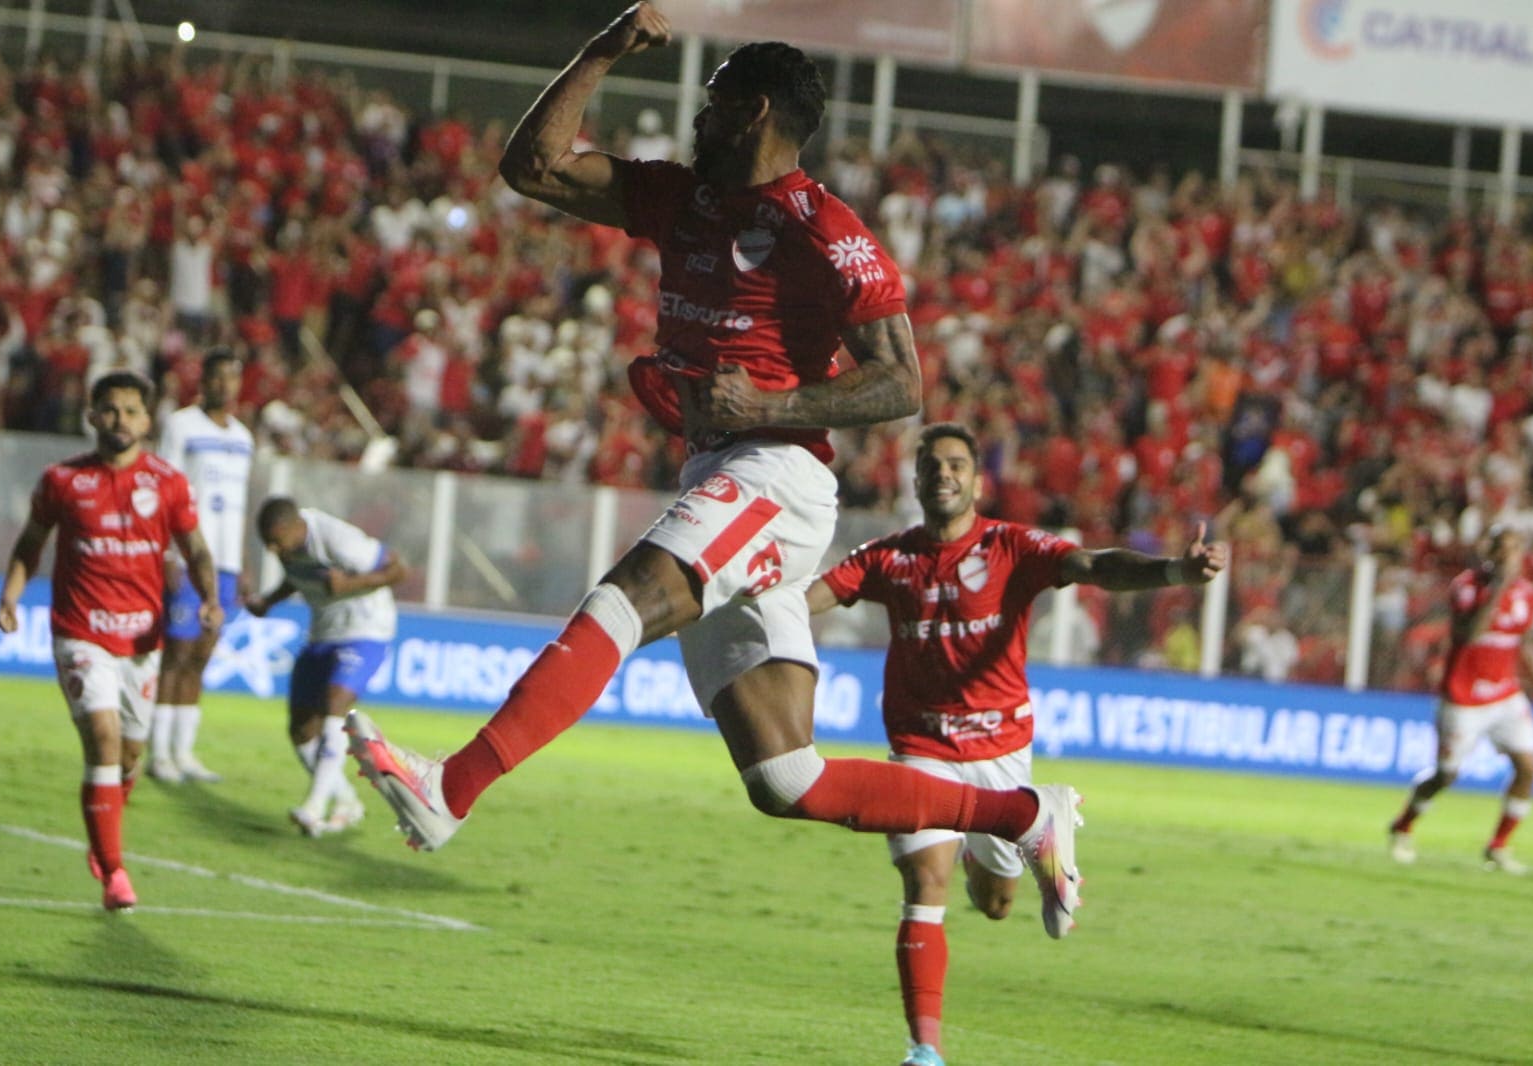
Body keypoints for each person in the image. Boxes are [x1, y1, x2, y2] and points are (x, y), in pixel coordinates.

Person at [347, 1, 1083, 945]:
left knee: (624, 599)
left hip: (778, 471)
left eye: (713, 99)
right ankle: (1026, 816)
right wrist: (601, 50)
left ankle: (451, 788)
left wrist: (769, 409)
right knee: (788, 779)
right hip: (724, 462)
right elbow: (531, 168)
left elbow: (902, 381)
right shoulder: (683, 197)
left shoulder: (825, 229)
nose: (697, 114)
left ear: (755, 110)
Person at [807, 423, 1228, 1066]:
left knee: (996, 903)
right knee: (925, 879)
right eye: (930, 466)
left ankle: (1038, 813)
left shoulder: (1010, 546)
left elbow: (1094, 566)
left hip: (1000, 748)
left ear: (978, 481)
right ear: (916, 481)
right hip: (921, 745)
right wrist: (752, 606)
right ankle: (925, 1050)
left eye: (955, 464)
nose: (942, 474)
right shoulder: (887, 557)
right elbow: (814, 596)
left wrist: (1173, 570)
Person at [0, 370, 221, 912]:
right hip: (80, 633)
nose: (120, 420)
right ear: (93, 416)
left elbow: (196, 549)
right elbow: (31, 543)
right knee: (102, 737)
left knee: (129, 754)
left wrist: (209, 597)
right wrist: (10, 595)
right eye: (110, 410)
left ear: (147, 420)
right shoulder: (63, 481)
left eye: (131, 411)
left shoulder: (167, 482)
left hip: (142, 639)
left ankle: (105, 831)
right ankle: (115, 873)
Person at [1388, 526, 1533, 874]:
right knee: (1446, 776)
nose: (1507, 556)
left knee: (1529, 767)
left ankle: (1498, 846)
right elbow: (1469, 635)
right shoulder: (1467, 586)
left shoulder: (1526, 593)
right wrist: (1497, 590)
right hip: (1463, 696)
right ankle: (1403, 825)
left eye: (1514, 549)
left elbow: (1522, 644)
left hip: (1505, 694)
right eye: (1502, 548)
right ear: (1490, 552)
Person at [248, 497, 404, 836]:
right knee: (302, 730)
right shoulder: (289, 547)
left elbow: (398, 569)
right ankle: (347, 802)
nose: (274, 550)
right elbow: (298, 576)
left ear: (294, 527)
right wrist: (268, 601)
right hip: (323, 633)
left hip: (366, 630)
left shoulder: (338, 539)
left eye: (276, 541)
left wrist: (350, 585)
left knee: (335, 704)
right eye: (268, 544)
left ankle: (314, 806)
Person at [150, 348, 254, 783]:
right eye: (216, 378)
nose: (224, 386)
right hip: (190, 556)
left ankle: (184, 752)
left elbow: (239, 505)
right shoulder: (181, 425)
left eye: (232, 377)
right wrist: (170, 553)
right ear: (202, 381)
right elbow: (164, 492)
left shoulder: (244, 437)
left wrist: (243, 561)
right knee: (176, 653)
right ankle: (159, 754)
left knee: (202, 656)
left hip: (225, 565)